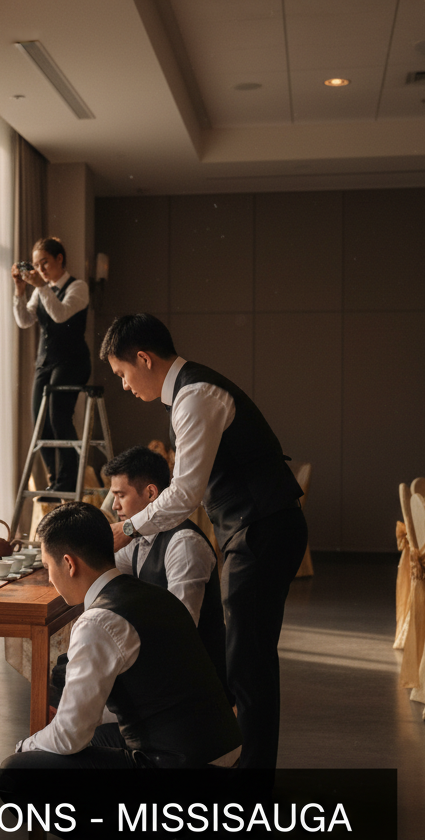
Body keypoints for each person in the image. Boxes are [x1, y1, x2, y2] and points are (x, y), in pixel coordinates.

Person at [0, 502, 242, 840]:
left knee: (18, 775)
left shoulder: (98, 621)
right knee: (93, 741)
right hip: (222, 755)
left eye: (48, 566)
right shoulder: (152, 594)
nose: (50, 578)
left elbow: (70, 736)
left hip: (183, 772)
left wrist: (27, 745)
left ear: (69, 563)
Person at [99, 313, 308, 771]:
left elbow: (184, 494)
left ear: (143, 358)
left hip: (262, 528)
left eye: (122, 373)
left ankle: (251, 782)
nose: (124, 385)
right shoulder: (189, 393)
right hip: (254, 528)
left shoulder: (195, 396)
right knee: (247, 657)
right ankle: (243, 767)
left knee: (248, 660)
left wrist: (126, 529)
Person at [106, 445, 227, 689]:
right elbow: (104, 568)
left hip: (194, 681)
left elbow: (181, 627)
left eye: (120, 495)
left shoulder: (184, 543)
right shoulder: (139, 538)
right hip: (164, 663)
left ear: (151, 493)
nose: (114, 506)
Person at [12, 237, 90, 499]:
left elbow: (60, 314)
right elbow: (24, 320)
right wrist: (20, 290)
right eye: (36, 265)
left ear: (59, 259)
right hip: (45, 362)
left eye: (44, 262)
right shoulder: (40, 289)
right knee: (39, 420)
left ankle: (69, 481)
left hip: (72, 361)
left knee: (58, 416)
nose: (40, 269)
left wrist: (41, 287)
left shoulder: (78, 287)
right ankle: (55, 480)